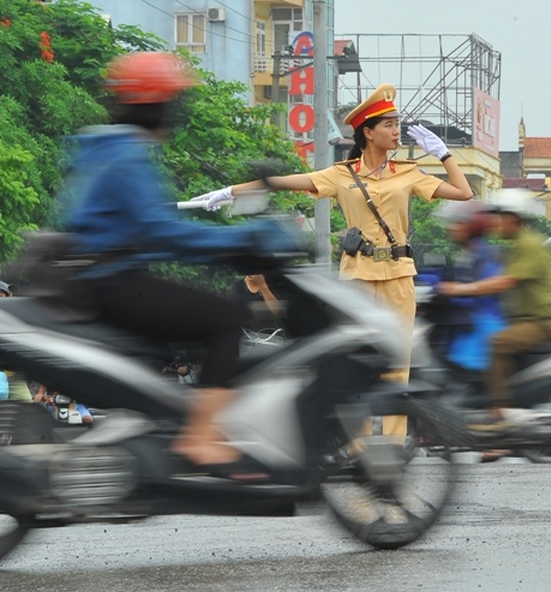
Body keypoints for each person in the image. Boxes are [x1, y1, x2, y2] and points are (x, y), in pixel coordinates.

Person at [192, 83, 472, 438]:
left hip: (399, 276)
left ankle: (393, 449)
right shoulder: (342, 174)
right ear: (368, 133)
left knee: (398, 363)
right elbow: (286, 182)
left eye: (397, 123)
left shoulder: (408, 172)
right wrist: (232, 191)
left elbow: (464, 193)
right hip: (356, 275)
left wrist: (444, 154)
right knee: (353, 362)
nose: (396, 130)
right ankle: (353, 449)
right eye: (388, 124)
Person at [60, 52, 297, 468]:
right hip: (114, 281)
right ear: (155, 106)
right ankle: (200, 437)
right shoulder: (129, 156)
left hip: (97, 278)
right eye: (172, 104)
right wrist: (244, 240)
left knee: (183, 311)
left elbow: (152, 232)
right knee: (222, 320)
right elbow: (163, 232)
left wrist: (223, 248)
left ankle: (162, 424)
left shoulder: (103, 147)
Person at [435, 189, 551, 425]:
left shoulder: (527, 244)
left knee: (497, 343)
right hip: (524, 317)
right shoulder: (514, 245)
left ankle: (501, 412)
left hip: (542, 320)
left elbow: (506, 281)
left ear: (514, 218)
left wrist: (460, 289)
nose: (496, 223)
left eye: (501, 217)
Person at [431, 199, 505, 371]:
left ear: (473, 226)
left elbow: (486, 289)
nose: (452, 228)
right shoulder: (467, 254)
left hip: (484, 323)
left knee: (460, 364)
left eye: (458, 223)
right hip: (467, 321)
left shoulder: (487, 255)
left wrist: (455, 289)